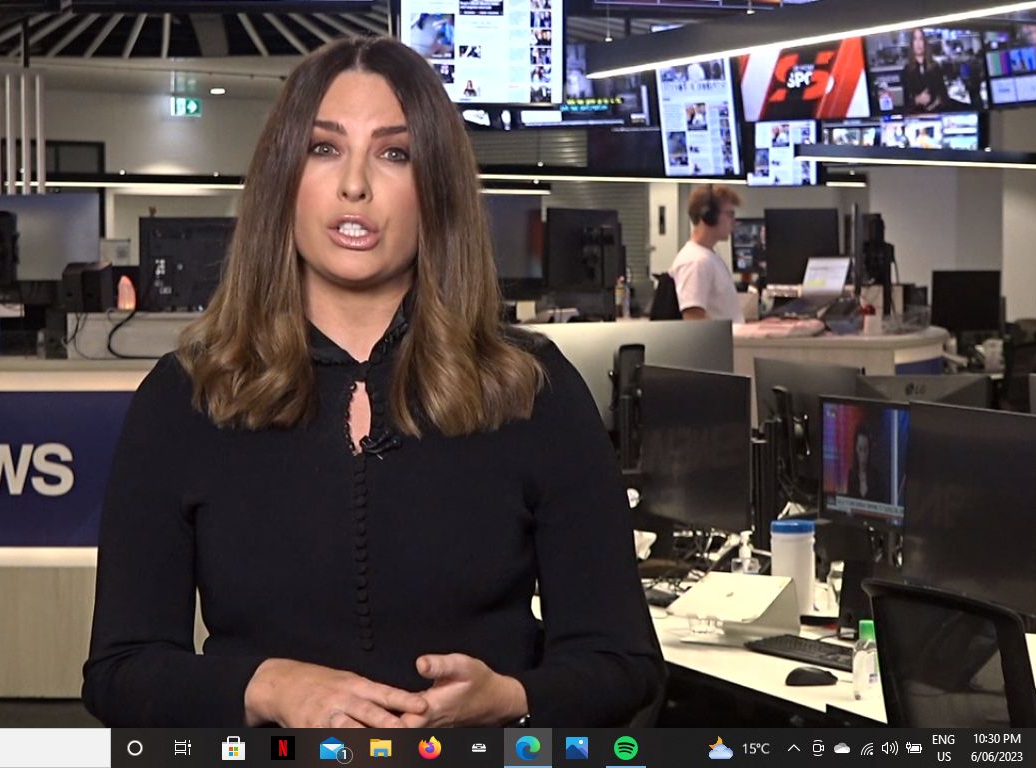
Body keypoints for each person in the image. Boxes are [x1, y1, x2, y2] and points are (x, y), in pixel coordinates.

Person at [83, 36, 664, 728]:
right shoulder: (186, 395)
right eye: (324, 148)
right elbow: (120, 672)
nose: (354, 183)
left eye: (395, 154)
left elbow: (622, 663)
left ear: (436, 189)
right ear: (283, 177)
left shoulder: (532, 389)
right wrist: (268, 688)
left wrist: (509, 699)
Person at [669, 185, 745, 323]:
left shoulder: (708, 257)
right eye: (730, 215)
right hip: (718, 338)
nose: (734, 222)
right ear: (709, 216)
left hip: (729, 337)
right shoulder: (695, 261)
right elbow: (694, 319)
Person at [899, 28, 947, 112]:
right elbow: (905, 101)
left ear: (925, 42)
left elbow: (944, 96)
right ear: (912, 44)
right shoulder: (906, 70)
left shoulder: (935, 67)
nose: (918, 43)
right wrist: (917, 100)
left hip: (936, 113)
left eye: (921, 39)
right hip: (916, 115)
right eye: (915, 39)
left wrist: (934, 104)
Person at [845, 425, 888, 504]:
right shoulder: (851, 476)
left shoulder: (877, 476)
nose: (863, 454)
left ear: (869, 450)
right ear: (856, 449)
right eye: (860, 449)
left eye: (865, 449)